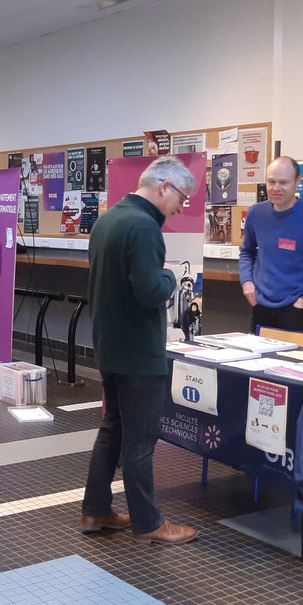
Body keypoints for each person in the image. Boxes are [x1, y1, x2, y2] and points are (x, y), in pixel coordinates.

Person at [80, 156, 200, 545]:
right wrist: (171, 277)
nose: (181, 207)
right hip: (138, 351)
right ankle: (149, 524)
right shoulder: (145, 227)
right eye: (182, 198)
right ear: (164, 186)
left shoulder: (108, 219)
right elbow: (150, 291)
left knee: (112, 429)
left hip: (110, 345)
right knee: (141, 440)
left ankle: (95, 510)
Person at [239, 156, 303, 333]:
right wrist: (246, 281)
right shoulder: (256, 214)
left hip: (296, 310)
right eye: (271, 182)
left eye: (283, 182)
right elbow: (247, 252)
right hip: (261, 307)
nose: (276, 188)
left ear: (297, 182)